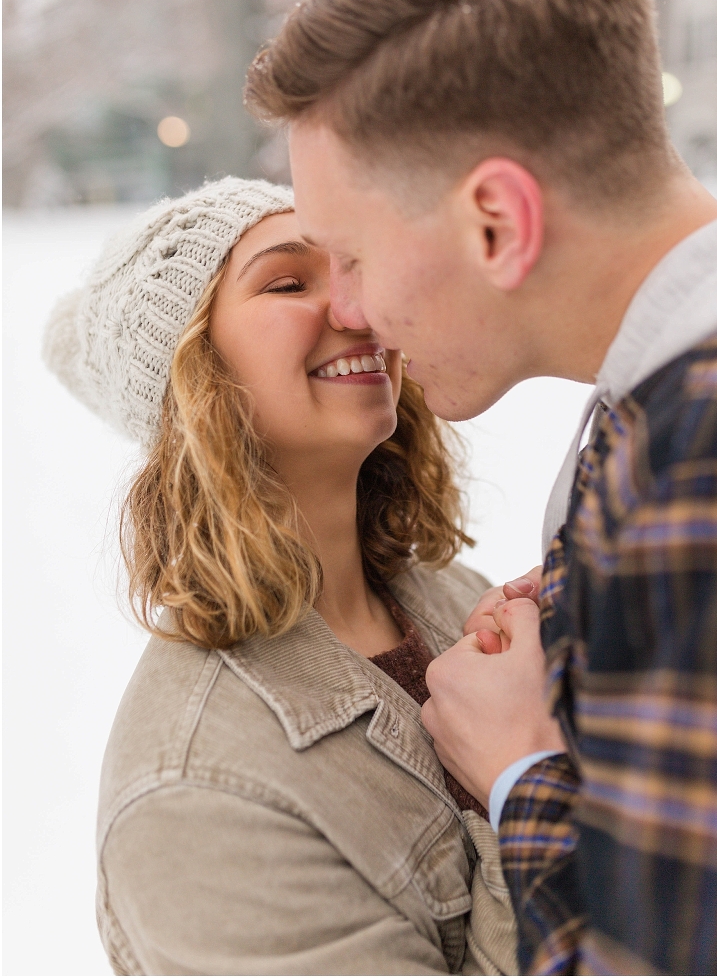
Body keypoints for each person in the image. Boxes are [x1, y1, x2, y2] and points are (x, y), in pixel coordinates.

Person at [245, 0, 717, 976]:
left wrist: (523, 772)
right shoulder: (688, 411)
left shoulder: (712, 453)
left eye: (349, 255)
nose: (347, 310)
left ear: (496, 222)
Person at [43, 177, 519, 976]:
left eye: (355, 269)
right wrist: (523, 800)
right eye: (289, 282)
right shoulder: (194, 797)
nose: (361, 308)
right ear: (193, 382)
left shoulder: (459, 595)